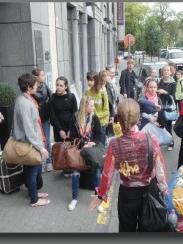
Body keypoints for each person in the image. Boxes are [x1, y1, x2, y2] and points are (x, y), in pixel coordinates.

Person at [89, 98, 169, 232]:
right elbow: (160, 169)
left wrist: (101, 195)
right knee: (149, 229)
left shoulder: (114, 144)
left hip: (128, 194)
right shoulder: (151, 139)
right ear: (138, 118)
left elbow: (107, 174)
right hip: (150, 190)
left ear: (118, 120)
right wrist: (165, 190)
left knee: (127, 229)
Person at [13, 73, 50, 207]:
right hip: (29, 143)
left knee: (32, 170)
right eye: (35, 85)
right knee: (32, 171)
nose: (37, 86)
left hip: (31, 141)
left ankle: (32, 193)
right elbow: (29, 128)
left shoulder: (26, 99)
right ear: (29, 87)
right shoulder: (24, 102)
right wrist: (40, 147)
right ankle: (34, 199)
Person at [68, 96, 102, 211]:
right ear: (84, 106)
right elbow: (72, 138)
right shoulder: (75, 118)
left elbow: (99, 135)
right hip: (79, 150)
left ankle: (97, 198)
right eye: (91, 105)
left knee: (98, 169)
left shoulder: (95, 118)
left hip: (92, 150)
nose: (93, 108)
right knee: (75, 171)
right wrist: (83, 144)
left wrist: (93, 143)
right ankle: (74, 198)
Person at [50, 76, 78, 177]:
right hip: (59, 127)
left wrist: (71, 129)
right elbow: (52, 115)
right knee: (61, 148)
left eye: (61, 85)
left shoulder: (71, 97)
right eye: (57, 85)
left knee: (71, 147)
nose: (58, 87)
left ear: (66, 87)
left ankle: (72, 166)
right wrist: (60, 130)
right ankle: (64, 167)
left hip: (70, 126)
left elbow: (75, 114)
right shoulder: (52, 97)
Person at [32, 68, 53, 172]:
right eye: (42, 75)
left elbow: (51, 98)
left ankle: (49, 161)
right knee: (38, 141)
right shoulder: (32, 88)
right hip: (36, 119)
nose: (44, 77)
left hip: (45, 117)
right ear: (36, 77)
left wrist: (50, 115)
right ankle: (40, 162)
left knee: (47, 141)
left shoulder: (45, 86)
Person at [85, 71, 109, 146]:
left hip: (101, 124)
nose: (89, 82)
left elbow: (106, 111)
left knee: (100, 147)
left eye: (91, 80)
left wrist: (94, 117)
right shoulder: (86, 93)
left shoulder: (102, 93)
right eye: (88, 80)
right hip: (89, 125)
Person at [157, 65, 176, 151]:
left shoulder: (173, 83)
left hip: (168, 108)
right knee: (160, 125)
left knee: (168, 127)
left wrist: (164, 92)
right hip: (160, 107)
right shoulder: (159, 82)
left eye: (168, 70)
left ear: (170, 72)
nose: (166, 72)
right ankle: (162, 141)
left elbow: (172, 98)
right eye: (164, 70)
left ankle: (171, 143)